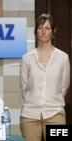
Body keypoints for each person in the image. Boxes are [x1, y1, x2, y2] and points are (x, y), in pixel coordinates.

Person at [19, 13, 70, 141]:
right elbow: (24, 87)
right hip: (30, 115)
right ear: (35, 30)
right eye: (40, 28)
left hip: (55, 114)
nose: (43, 32)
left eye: (47, 28)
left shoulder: (63, 58)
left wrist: (52, 100)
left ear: (53, 31)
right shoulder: (27, 58)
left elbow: (64, 86)